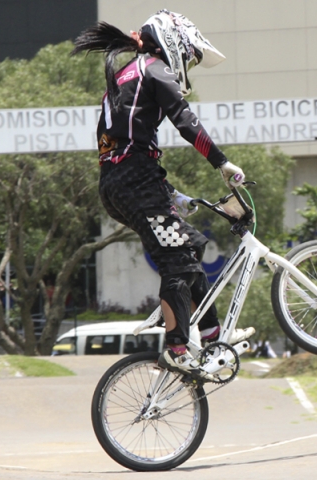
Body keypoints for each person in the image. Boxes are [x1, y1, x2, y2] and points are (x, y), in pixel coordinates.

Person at [71, 10, 254, 380]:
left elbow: (124, 146)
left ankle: (214, 334)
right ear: (172, 43)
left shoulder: (125, 75)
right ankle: (177, 348)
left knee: (190, 245)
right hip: (136, 182)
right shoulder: (153, 70)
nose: (186, 64)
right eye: (187, 56)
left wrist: (172, 194)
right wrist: (222, 162)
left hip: (120, 184)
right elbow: (186, 121)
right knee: (179, 262)